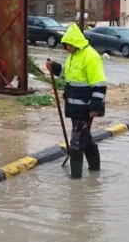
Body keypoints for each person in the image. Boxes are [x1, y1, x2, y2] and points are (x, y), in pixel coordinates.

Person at [45, 23, 107, 179]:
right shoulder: (72, 57)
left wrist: (95, 107)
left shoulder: (91, 56)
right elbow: (67, 76)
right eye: (65, 46)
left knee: (77, 142)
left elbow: (99, 84)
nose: (66, 48)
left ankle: (75, 179)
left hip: (86, 108)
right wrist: (55, 68)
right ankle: (95, 170)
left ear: (75, 43)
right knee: (85, 139)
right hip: (74, 107)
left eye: (68, 45)